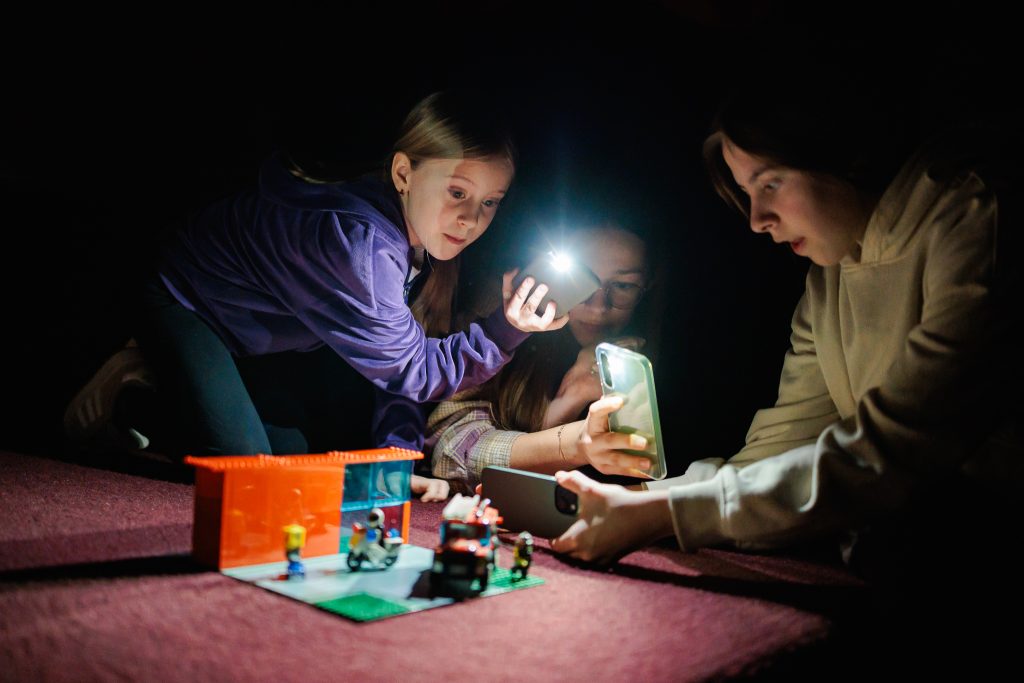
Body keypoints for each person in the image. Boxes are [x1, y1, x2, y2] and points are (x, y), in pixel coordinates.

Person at [544, 77, 1023, 568]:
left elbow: (895, 450)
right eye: (747, 192)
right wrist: (642, 501)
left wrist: (662, 512)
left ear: (840, 150)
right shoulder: (827, 277)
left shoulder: (976, 214)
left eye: (770, 183)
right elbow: (777, 450)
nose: (757, 219)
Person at [64, 90, 567, 501]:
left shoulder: (419, 237)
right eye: (457, 192)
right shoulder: (363, 249)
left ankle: (163, 382)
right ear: (403, 173)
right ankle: (137, 386)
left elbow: (396, 366)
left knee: (292, 450)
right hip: (182, 300)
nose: (472, 218)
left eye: (490, 202)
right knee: (247, 473)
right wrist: (506, 330)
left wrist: (394, 462)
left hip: (246, 333)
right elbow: (413, 371)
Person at [426, 224, 660, 494]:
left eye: (623, 286)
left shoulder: (652, 352)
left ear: (648, 286)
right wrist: (570, 400)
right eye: (582, 280)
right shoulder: (506, 319)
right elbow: (450, 450)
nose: (598, 306)